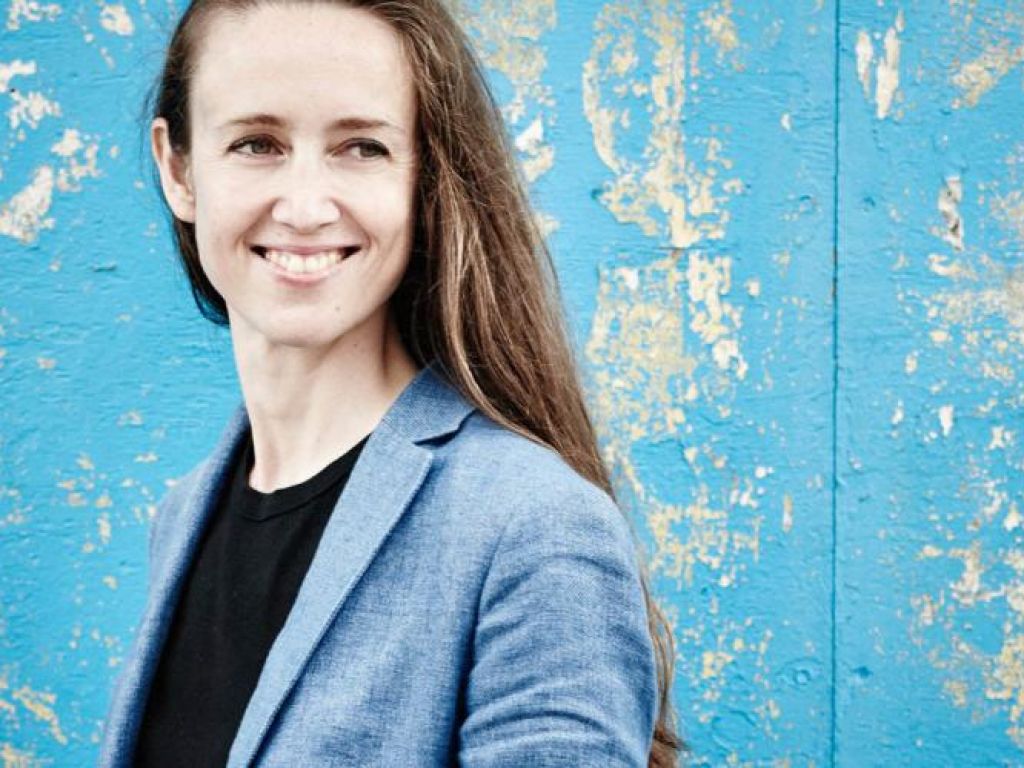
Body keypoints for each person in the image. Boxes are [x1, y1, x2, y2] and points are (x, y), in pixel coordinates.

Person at [99, 0, 682, 765]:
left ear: (422, 176)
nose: (305, 207)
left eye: (362, 148)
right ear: (178, 170)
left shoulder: (533, 524)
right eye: (256, 143)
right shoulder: (182, 518)